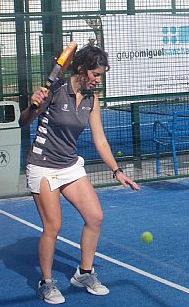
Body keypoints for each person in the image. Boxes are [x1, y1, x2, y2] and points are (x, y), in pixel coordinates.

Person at [19, 42, 139, 304]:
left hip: (69, 165)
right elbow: (24, 122)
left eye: (101, 75)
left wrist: (117, 171)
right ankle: (46, 283)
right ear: (82, 70)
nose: (98, 80)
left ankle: (84, 274)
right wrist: (32, 105)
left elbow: (101, 140)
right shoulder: (54, 92)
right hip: (43, 165)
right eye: (95, 74)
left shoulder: (92, 100)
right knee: (53, 226)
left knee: (95, 217)